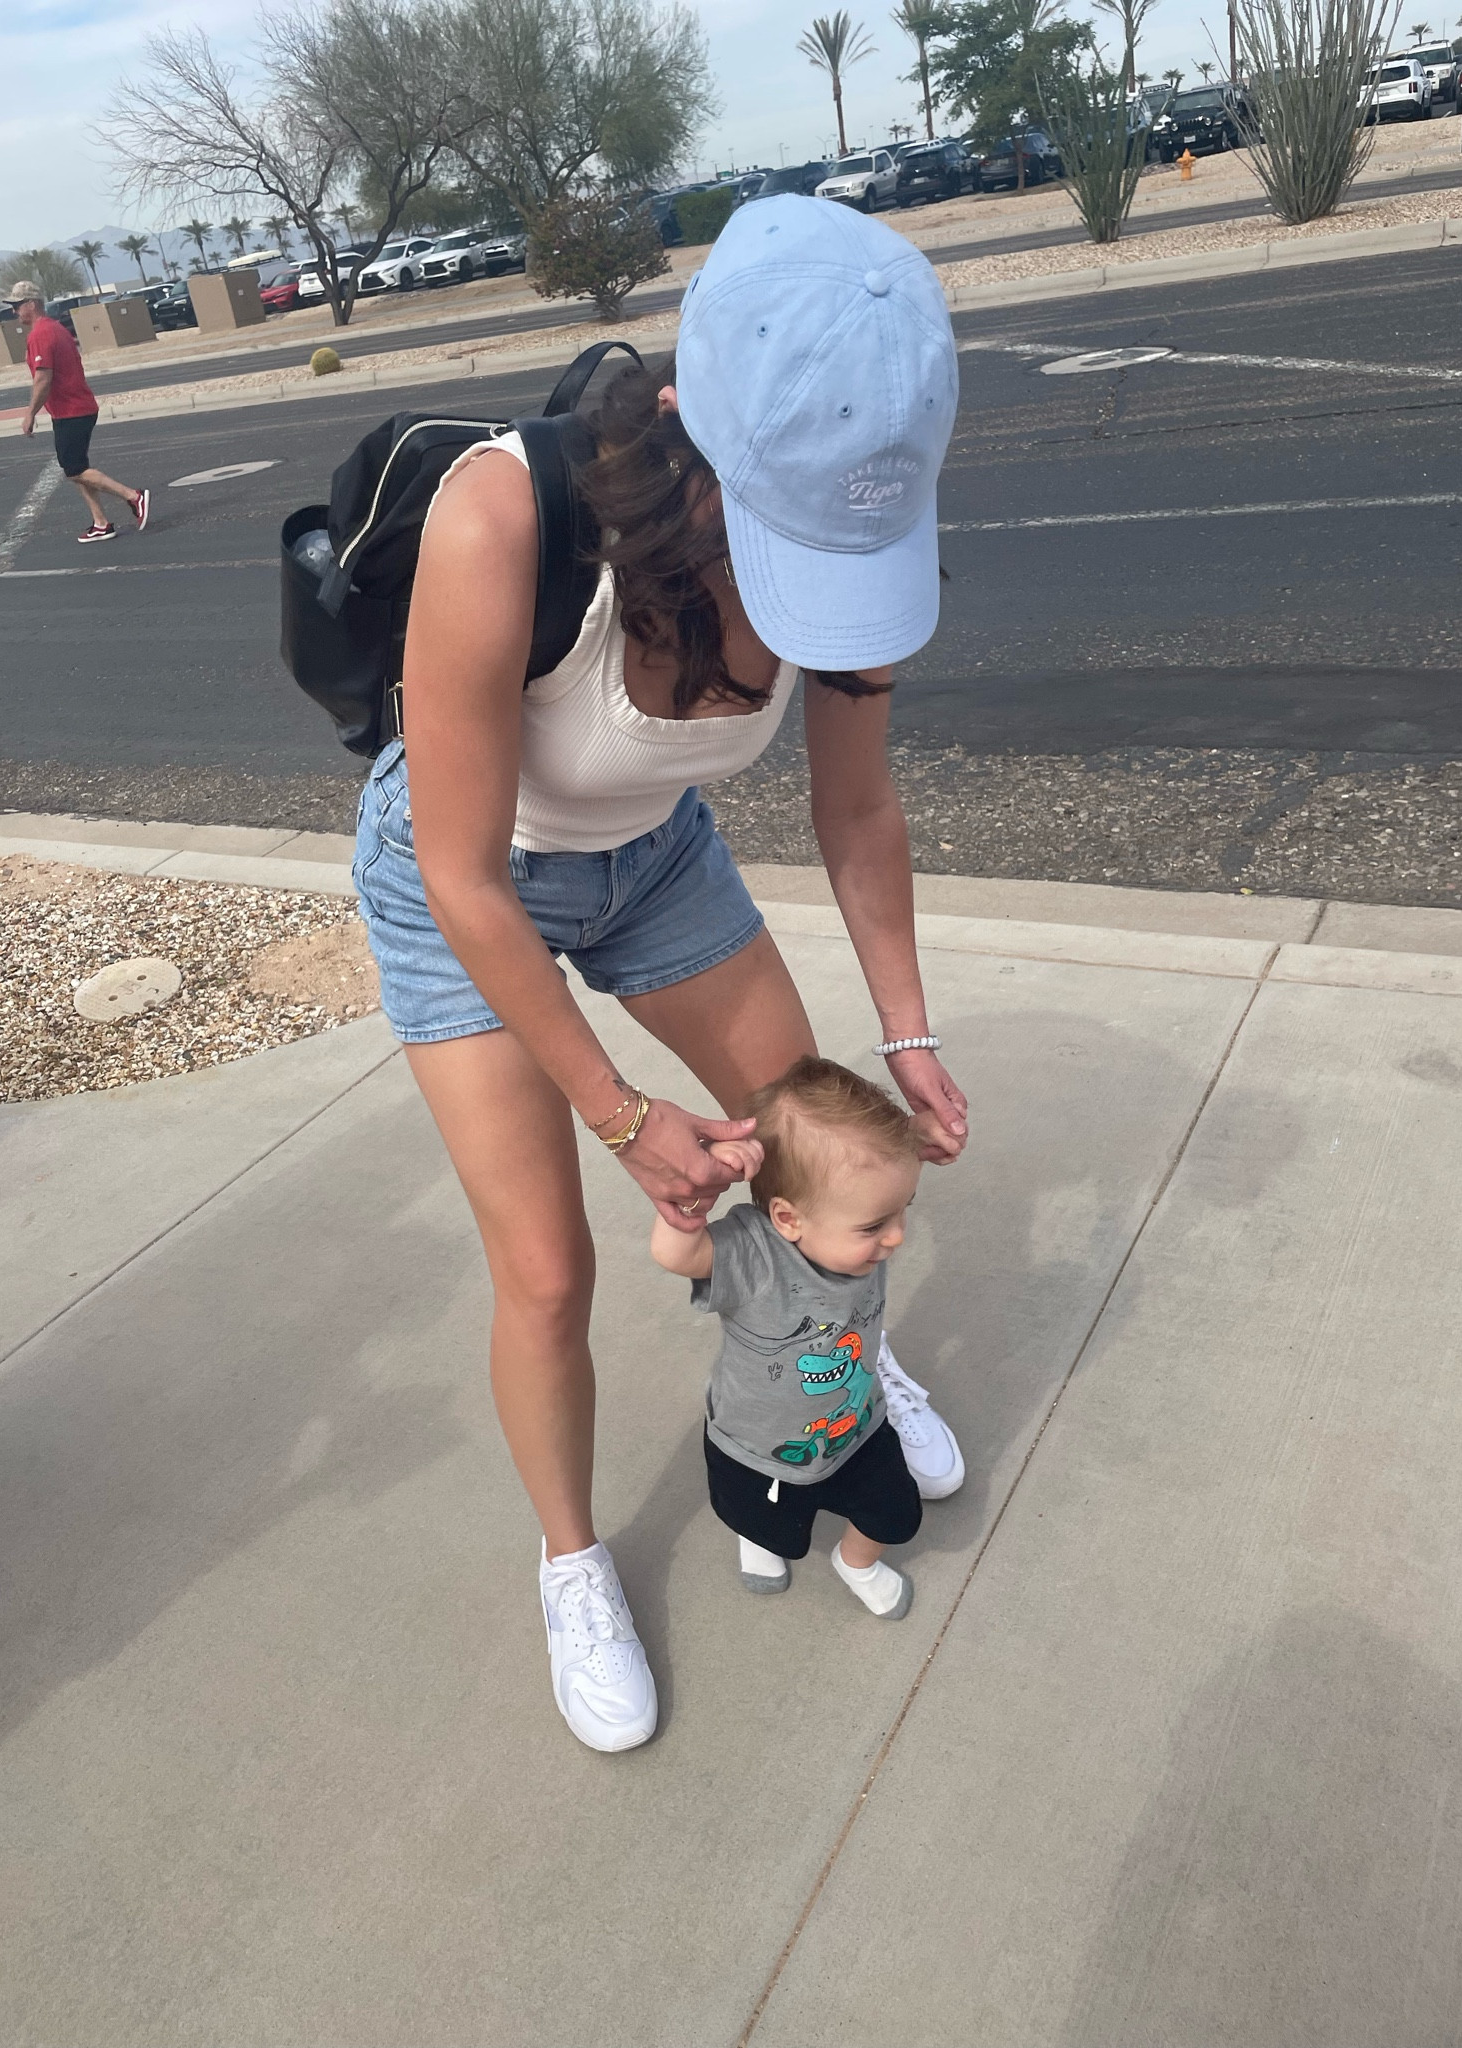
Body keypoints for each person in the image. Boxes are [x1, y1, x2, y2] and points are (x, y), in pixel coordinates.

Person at [352, 193, 969, 1754]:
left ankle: (838, 1370)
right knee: (550, 1270)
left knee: (816, 1139)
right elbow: (461, 873)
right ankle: (571, 1556)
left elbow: (858, 805)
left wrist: (908, 1032)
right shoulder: (506, 518)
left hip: (652, 859)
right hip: (471, 881)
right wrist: (624, 1118)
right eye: (784, 541)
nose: (803, 597)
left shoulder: (862, 518)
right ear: (693, 434)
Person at [650, 1056, 927, 1621]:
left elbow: (877, 1178)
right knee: (766, 1520)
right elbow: (673, 1254)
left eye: (904, 1210)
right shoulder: (754, 1257)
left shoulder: (854, 1220)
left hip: (855, 1424)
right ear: (787, 1217)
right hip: (758, 1446)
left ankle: (857, 1563)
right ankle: (759, 1539)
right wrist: (694, 1197)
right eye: (875, 1225)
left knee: (895, 1511)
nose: (896, 1236)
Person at [5, 281, 149, 544]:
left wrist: (30, 414)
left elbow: (43, 378)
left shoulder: (40, 334)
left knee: (74, 469)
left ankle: (133, 496)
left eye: (16, 306)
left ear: (32, 304)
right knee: (77, 467)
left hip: (72, 410)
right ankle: (101, 523)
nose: (14, 312)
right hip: (75, 407)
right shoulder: (56, 328)